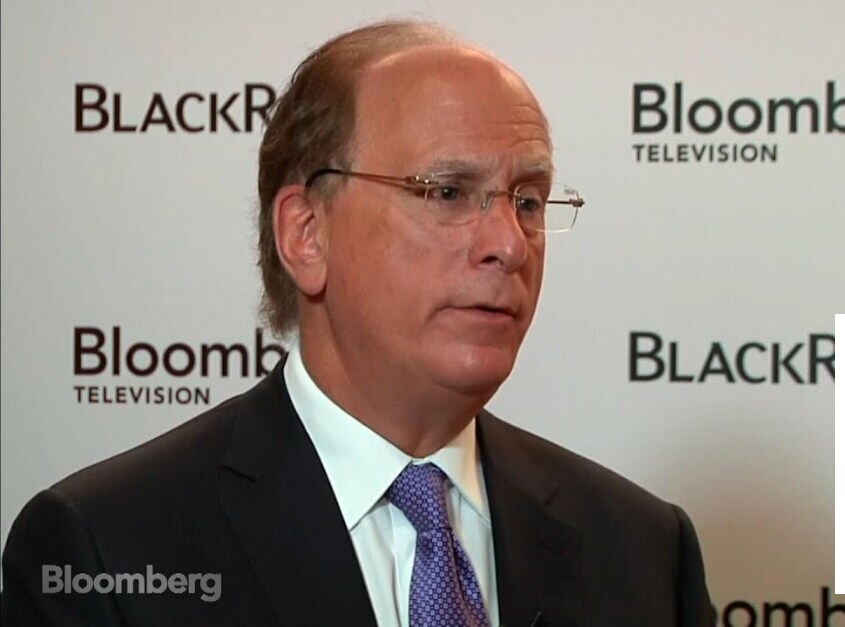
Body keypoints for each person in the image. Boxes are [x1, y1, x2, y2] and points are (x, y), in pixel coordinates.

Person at [1, 19, 715, 626]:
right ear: (307, 233)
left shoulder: (646, 550)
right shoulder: (106, 548)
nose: (509, 243)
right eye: (447, 192)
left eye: (527, 200)